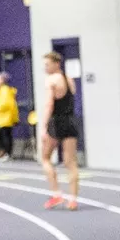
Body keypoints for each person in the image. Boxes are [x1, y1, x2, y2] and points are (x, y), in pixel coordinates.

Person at [37, 53, 80, 210]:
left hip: (56, 122)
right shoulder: (69, 80)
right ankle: (73, 200)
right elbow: (71, 99)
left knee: (46, 158)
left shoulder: (51, 80)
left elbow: (49, 104)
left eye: (47, 64)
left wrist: (43, 127)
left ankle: (56, 194)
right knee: (71, 162)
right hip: (70, 121)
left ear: (56, 64)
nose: (45, 67)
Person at [0, 74, 19, 159]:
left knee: (5, 136)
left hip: (5, 117)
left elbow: (5, 104)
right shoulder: (1, 90)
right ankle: (6, 153)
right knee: (5, 136)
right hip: (3, 117)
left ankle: (7, 153)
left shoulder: (4, 91)